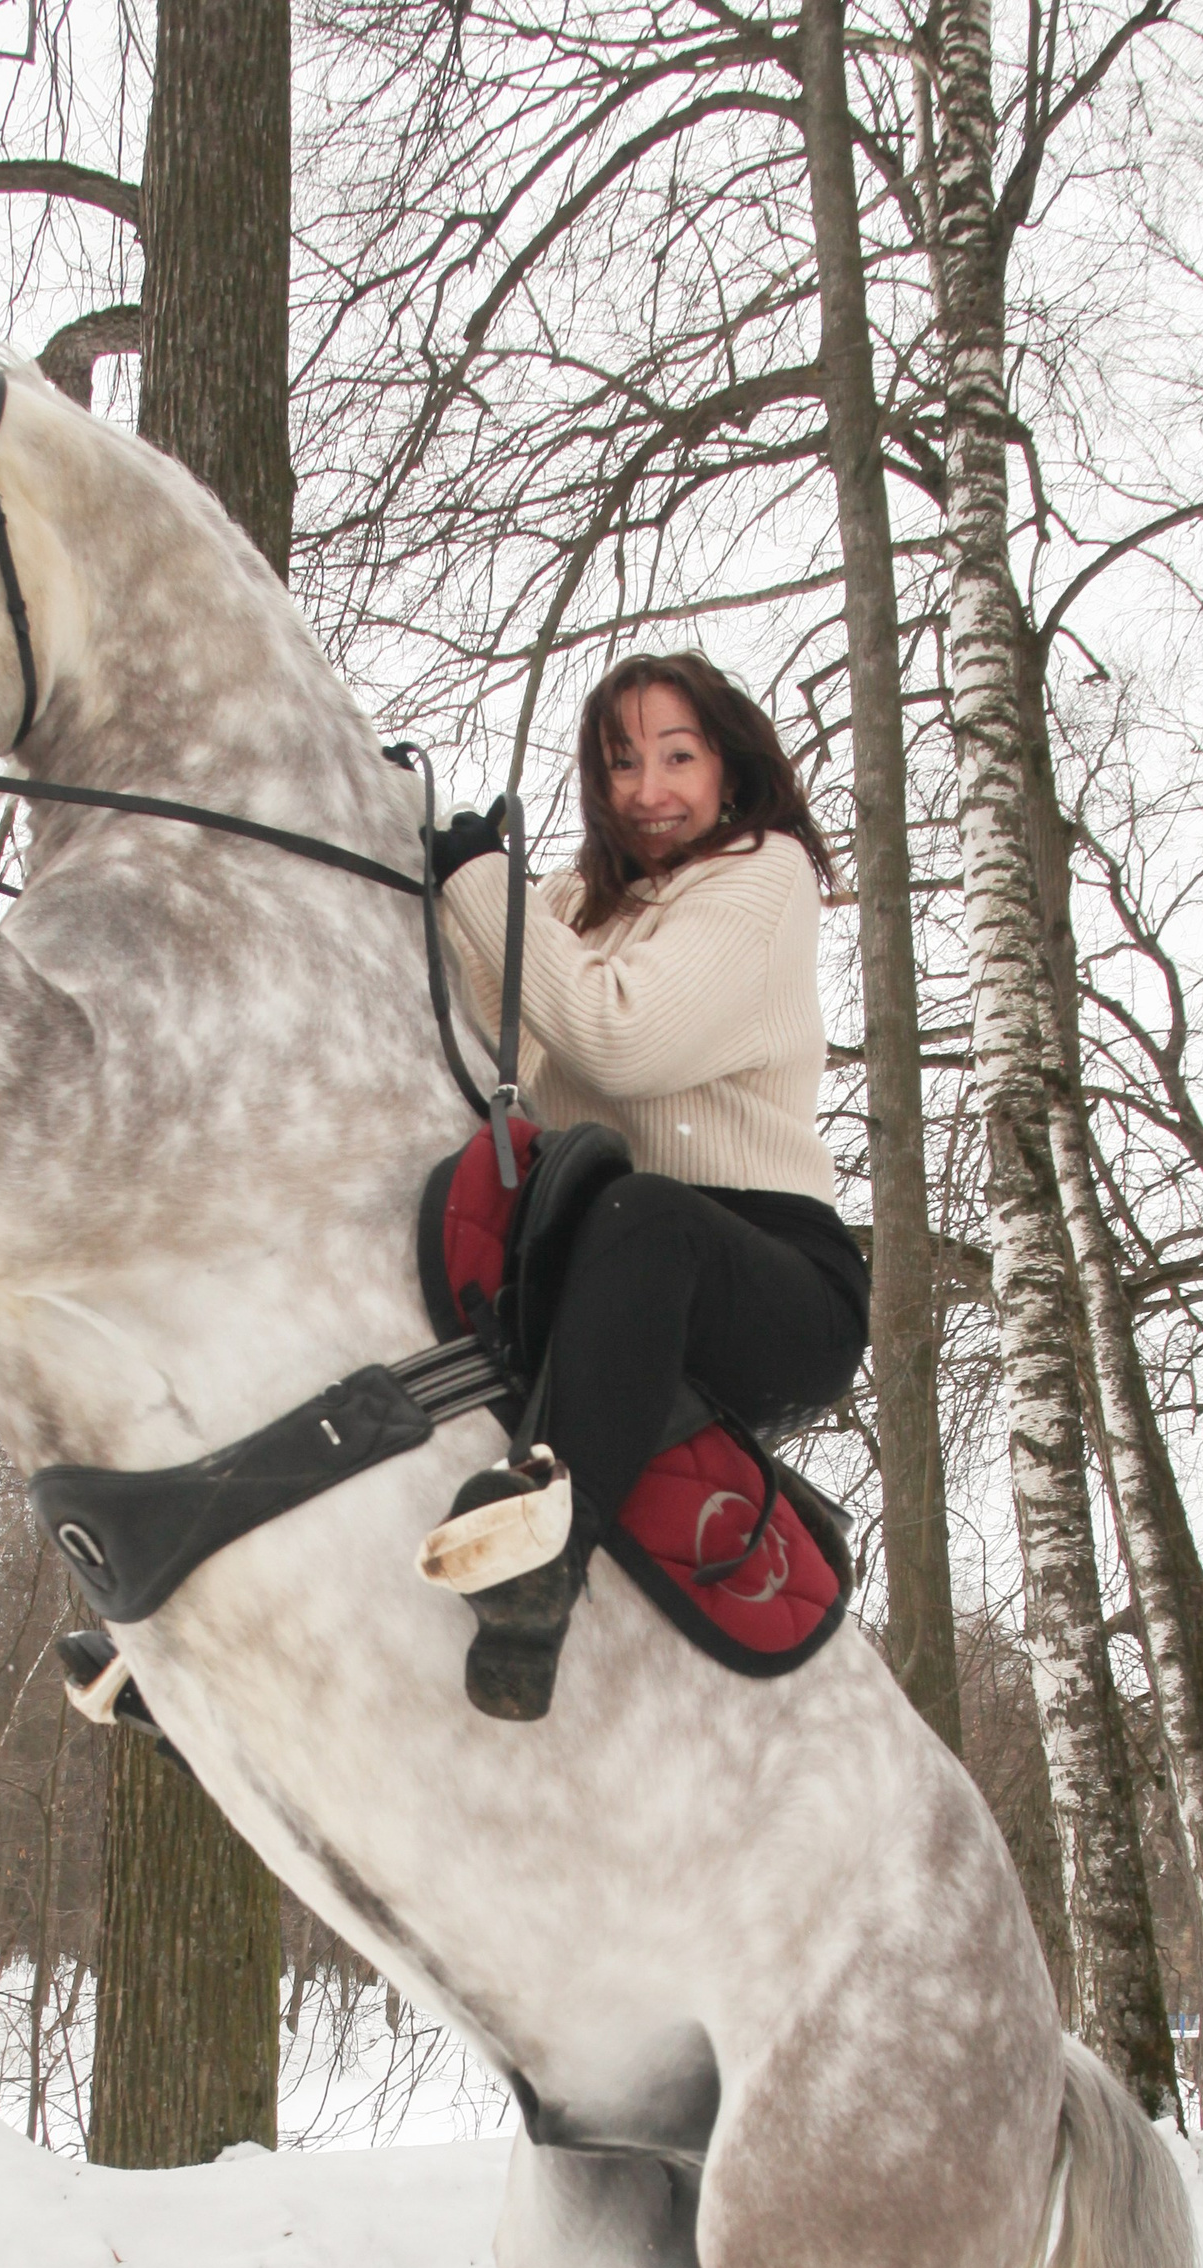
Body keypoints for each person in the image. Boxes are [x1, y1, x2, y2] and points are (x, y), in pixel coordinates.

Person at [417, 649, 869, 1719]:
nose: (649, 790)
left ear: (727, 766)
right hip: (600, 1259)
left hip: (766, 1275)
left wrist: (482, 884)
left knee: (646, 1213)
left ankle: (541, 1572)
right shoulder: (575, 903)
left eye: (677, 755)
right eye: (622, 764)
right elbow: (478, 1013)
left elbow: (622, 1040)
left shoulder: (759, 877)